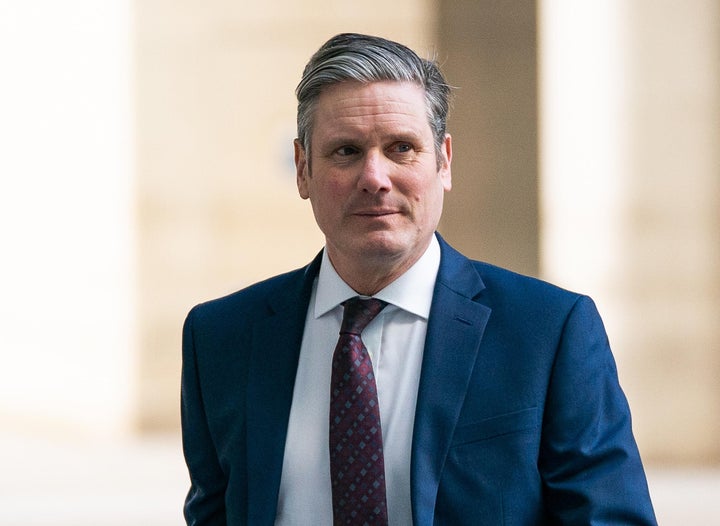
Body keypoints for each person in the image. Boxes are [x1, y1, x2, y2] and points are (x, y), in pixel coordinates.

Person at [181, 33, 657, 525]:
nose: (374, 177)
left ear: (443, 161)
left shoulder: (548, 332)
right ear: (303, 169)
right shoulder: (220, 338)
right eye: (345, 151)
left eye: (401, 148)